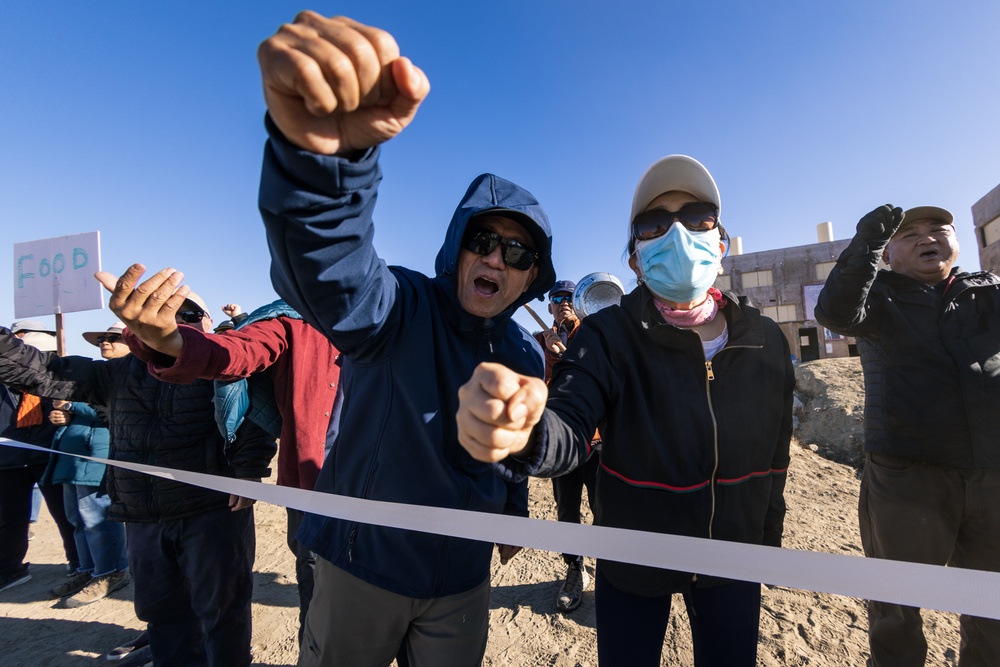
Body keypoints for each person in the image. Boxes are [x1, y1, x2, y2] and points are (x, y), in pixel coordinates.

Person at [254, 12, 555, 666]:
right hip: (364, 567)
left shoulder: (526, 353)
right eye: (484, 239)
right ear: (458, 248)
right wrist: (325, 161)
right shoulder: (399, 305)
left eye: (518, 252)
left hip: (461, 583)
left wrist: (512, 509)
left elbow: (519, 444)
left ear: (532, 277)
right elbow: (329, 268)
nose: (497, 259)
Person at [457, 154, 794, 667]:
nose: (678, 232)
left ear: (721, 243)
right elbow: (569, 424)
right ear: (635, 259)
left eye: (698, 216)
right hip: (632, 564)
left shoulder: (765, 340)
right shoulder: (608, 335)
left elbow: (776, 455)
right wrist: (525, 430)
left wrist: (766, 539)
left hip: (733, 559)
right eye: (655, 224)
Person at [0, 291, 275, 666]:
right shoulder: (114, 375)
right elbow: (40, 371)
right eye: (162, 313)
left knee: (222, 611)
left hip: (212, 510)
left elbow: (255, 418)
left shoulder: (225, 365)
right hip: (143, 514)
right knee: (162, 611)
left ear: (207, 322)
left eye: (189, 313)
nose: (174, 322)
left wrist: (247, 472)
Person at [814, 205, 1000, 667]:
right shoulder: (878, 297)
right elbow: (833, 312)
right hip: (905, 479)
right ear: (889, 254)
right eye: (909, 234)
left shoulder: (989, 293)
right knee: (896, 607)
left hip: (993, 476)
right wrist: (865, 245)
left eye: (937, 229)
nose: (925, 238)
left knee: (992, 608)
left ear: (955, 241)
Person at [109, 291, 340, 645]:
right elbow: (233, 355)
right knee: (321, 597)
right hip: (314, 495)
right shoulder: (288, 324)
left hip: (404, 498)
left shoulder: (413, 316)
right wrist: (170, 343)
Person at [43, 322, 131, 606]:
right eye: (102, 338)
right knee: (77, 519)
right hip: (73, 459)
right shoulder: (93, 372)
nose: (105, 342)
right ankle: (88, 569)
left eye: (113, 338)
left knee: (97, 518)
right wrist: (59, 416)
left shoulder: (132, 373)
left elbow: (114, 408)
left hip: (98, 457)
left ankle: (112, 571)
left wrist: (69, 406)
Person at [533, 280, 601, 613]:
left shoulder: (593, 333)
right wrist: (549, 353)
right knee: (567, 511)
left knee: (605, 510)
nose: (564, 302)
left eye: (569, 297)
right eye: (556, 297)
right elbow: (536, 388)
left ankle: (611, 571)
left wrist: (567, 354)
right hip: (562, 443)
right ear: (549, 306)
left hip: (599, 442)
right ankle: (575, 569)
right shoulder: (539, 342)